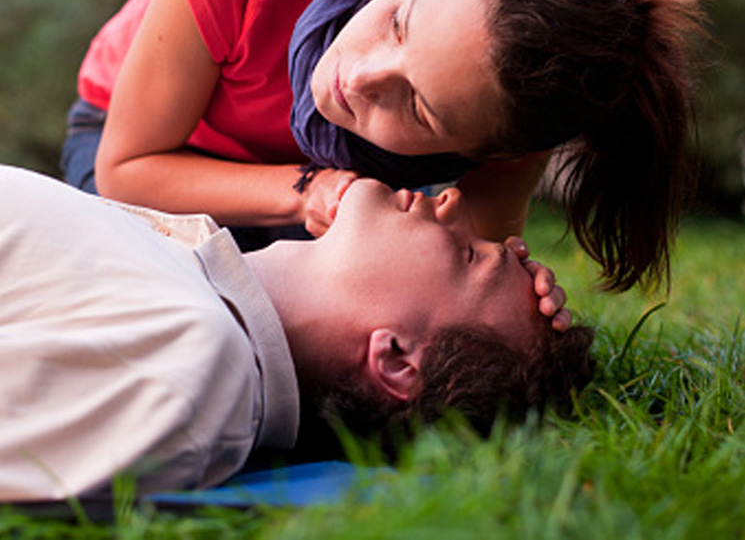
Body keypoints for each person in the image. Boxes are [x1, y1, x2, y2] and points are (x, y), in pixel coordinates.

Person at [61, 0, 706, 292]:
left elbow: (446, 279)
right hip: (144, 150)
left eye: (419, 110)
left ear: (498, 151)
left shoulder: (514, 108)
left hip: (335, 201)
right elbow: (129, 168)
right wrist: (307, 192)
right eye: (399, 22)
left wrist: (502, 290)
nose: (358, 75)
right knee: (192, 302)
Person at [0, 165, 593, 503]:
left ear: (396, 359)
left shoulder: (192, 360)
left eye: (466, 255)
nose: (454, 201)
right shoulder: (190, 291)